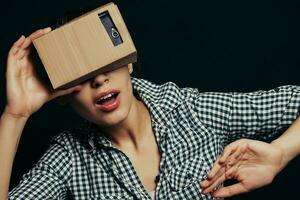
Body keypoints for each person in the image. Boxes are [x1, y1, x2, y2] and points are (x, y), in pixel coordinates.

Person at [1, 23, 300, 200]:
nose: (98, 79)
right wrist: (15, 116)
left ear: (128, 60)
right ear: (62, 95)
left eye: (106, 62)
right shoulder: (67, 157)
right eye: (79, 75)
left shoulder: (192, 111)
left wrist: (282, 152)